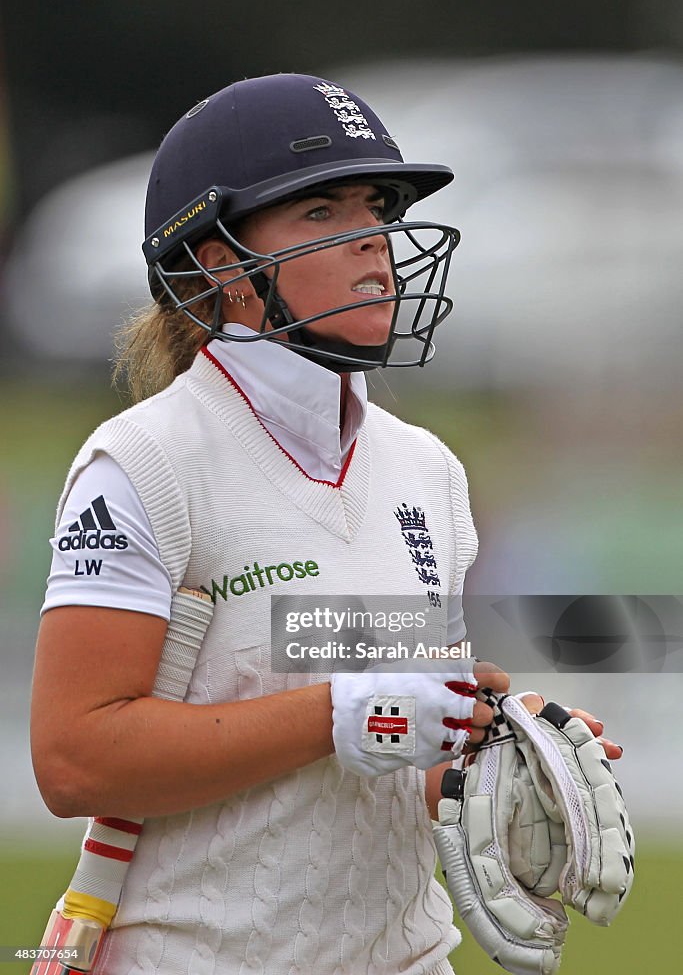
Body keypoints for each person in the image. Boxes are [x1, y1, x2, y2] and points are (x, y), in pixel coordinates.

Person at [31, 73, 620, 975]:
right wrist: (343, 713)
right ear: (222, 261)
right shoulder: (142, 461)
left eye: (376, 210)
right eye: (321, 213)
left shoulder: (426, 469)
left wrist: (499, 749)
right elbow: (76, 760)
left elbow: (401, 717)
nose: (376, 247)